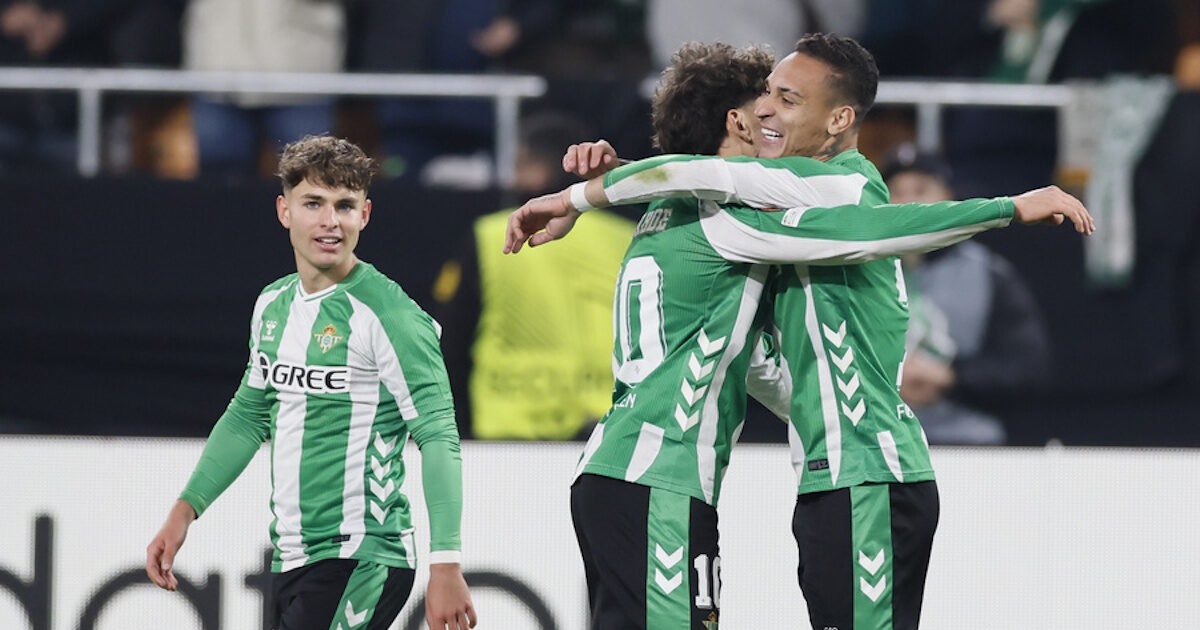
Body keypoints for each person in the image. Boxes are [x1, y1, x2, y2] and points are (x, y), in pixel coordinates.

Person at [506, 34, 1093, 630]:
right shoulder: (738, 223)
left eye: (785, 101)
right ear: (735, 122)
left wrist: (594, 191)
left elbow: (864, 235)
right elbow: (704, 179)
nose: (768, 114)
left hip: (852, 471)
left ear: (839, 119)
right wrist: (588, 193)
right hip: (700, 476)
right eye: (764, 101)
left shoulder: (828, 189)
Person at [145, 135, 477, 630]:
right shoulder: (272, 305)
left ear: (365, 214)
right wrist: (185, 510)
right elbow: (248, 416)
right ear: (284, 211)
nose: (330, 221)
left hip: (363, 554)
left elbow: (438, 434)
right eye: (313, 203)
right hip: (291, 557)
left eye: (345, 205)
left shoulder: (391, 316)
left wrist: (445, 562)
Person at [429, 111, 635, 439]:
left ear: (538, 168)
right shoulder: (631, 236)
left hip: (511, 433)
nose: (512, 178)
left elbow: (449, 343)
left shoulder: (491, 235)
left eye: (518, 165)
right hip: (612, 430)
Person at [883, 146, 1052, 445]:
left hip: (967, 440)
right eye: (896, 192)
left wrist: (952, 377)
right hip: (878, 441)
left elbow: (1029, 368)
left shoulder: (991, 274)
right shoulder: (855, 270)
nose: (907, 202)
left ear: (948, 197)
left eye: (921, 190)